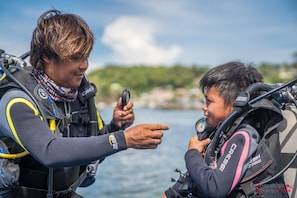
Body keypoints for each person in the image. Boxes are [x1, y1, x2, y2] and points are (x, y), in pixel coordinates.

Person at [0, 9, 169, 198]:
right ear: (47, 56)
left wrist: (116, 126)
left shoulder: (80, 97)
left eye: (86, 57)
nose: (84, 66)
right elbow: (49, 151)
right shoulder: (16, 100)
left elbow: (94, 148)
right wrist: (124, 139)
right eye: (75, 58)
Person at [162, 61, 289, 197]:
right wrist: (172, 193)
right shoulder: (224, 133)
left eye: (209, 101)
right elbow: (200, 171)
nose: (203, 107)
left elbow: (215, 189)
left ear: (235, 103)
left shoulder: (242, 136)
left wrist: (191, 154)